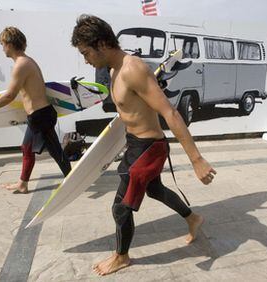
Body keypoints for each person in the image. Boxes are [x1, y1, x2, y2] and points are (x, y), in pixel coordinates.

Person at [71, 15, 217, 276]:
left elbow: (170, 113)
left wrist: (197, 159)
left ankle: (121, 256)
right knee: (155, 190)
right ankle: (193, 219)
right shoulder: (115, 71)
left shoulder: (132, 69)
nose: (85, 60)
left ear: (102, 44)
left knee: (120, 207)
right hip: (135, 143)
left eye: (86, 53)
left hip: (149, 148)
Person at [0, 26, 71, 193]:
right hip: (42, 114)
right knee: (52, 149)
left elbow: (9, 95)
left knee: (30, 148)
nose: (2, 48)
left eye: (2, 44)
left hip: (39, 115)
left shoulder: (21, 64)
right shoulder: (27, 61)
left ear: (9, 44)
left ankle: (24, 184)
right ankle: (70, 177)